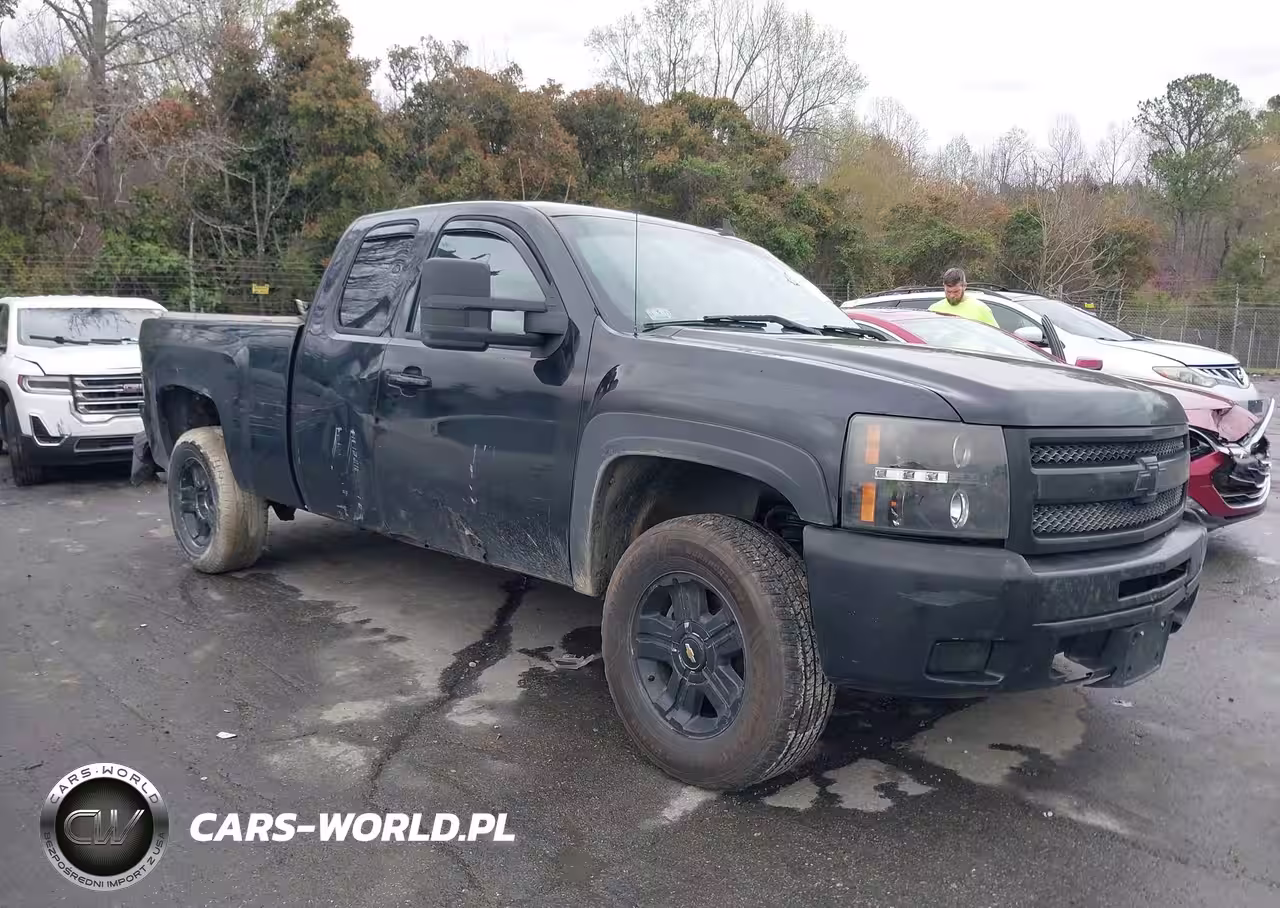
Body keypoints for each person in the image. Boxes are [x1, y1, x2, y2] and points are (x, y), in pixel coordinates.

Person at [929, 268, 998, 328]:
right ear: (944, 286)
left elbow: (996, 336)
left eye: (956, 291)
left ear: (964, 286)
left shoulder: (981, 309)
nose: (952, 295)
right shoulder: (934, 309)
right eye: (948, 292)